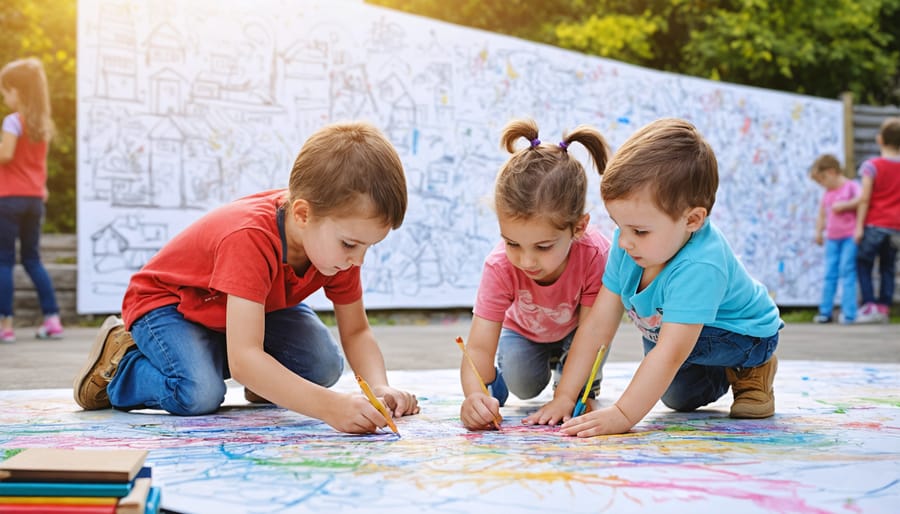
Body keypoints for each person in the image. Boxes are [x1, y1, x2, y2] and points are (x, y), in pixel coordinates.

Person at [73, 121, 420, 434]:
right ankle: (123, 367)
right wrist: (329, 407)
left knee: (323, 366)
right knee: (198, 393)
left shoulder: (337, 251)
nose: (358, 259)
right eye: (350, 244)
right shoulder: (249, 238)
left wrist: (379, 386)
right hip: (169, 305)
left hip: (242, 311)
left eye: (368, 247)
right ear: (302, 214)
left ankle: (258, 377)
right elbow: (243, 360)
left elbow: (357, 331)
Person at [538, 118, 782, 437]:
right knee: (678, 397)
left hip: (742, 336)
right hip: (678, 334)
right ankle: (721, 373)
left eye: (639, 230)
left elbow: (669, 354)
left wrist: (623, 415)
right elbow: (598, 324)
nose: (624, 241)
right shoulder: (630, 243)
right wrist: (565, 396)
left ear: (692, 220)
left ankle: (752, 369)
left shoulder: (701, 264)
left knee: (665, 363)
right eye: (618, 225)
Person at [460, 118, 613, 431]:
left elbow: (591, 332)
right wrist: (474, 395)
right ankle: (498, 384)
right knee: (523, 386)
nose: (526, 260)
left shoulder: (595, 254)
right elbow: (477, 346)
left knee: (592, 351)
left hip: (578, 331)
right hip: (525, 331)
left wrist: (567, 397)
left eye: (543, 246)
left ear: (579, 228)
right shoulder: (500, 265)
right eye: (512, 242)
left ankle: (576, 386)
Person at [0, 58, 64, 343]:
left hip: (9, 199)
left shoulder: (13, 122)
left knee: (3, 261)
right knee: (32, 259)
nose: (4, 97)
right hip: (34, 199)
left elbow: (6, 155)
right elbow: (38, 164)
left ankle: (6, 325)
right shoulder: (42, 125)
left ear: (18, 92)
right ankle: (52, 319)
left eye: (6, 91)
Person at [853, 116, 900, 324]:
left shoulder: (871, 166)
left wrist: (858, 227)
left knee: (864, 264)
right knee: (888, 267)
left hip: (874, 225)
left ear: (880, 140)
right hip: (896, 227)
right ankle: (884, 307)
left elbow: (865, 198)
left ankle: (869, 305)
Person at [809, 154, 860, 324]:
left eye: (822, 179)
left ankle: (849, 313)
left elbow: (862, 200)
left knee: (847, 272)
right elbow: (822, 214)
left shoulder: (851, 187)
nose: (822, 184)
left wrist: (845, 205)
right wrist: (818, 231)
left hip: (849, 237)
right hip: (832, 238)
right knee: (830, 274)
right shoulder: (828, 193)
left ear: (832, 172)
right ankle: (825, 311)